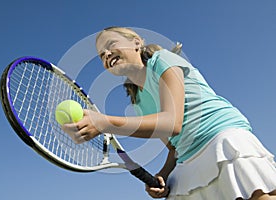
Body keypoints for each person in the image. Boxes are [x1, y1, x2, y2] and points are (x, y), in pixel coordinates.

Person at [62, 27, 276, 200]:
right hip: (187, 161)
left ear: (137, 43)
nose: (106, 54)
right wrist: (163, 175)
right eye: (101, 55)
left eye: (111, 45)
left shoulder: (162, 60)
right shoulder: (138, 101)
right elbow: (174, 146)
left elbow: (172, 122)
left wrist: (104, 123)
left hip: (221, 139)